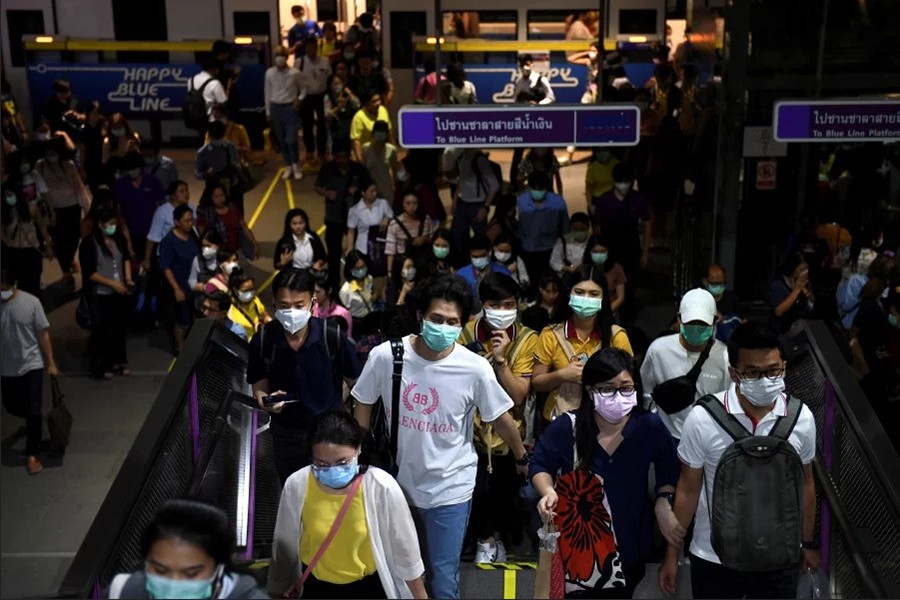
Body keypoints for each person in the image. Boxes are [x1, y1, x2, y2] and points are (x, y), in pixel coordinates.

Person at [352, 274, 530, 600]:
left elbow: (501, 418)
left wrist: (521, 457)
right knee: (402, 575)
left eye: (452, 322)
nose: (443, 327)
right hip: (398, 487)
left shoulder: (473, 367)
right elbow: (363, 399)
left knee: (443, 579)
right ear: (420, 315)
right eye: (436, 319)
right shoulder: (387, 356)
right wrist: (359, 456)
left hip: (452, 488)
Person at [659, 323, 819, 600]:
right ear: (733, 373)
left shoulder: (801, 417)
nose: (765, 380)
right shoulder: (704, 418)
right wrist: (673, 552)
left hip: (779, 558)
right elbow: (688, 488)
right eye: (752, 373)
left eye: (773, 371)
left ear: (784, 367)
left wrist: (807, 543)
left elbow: (805, 484)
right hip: (713, 558)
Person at [532, 348, 679, 598]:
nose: (618, 396)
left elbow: (670, 470)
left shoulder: (648, 425)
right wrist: (547, 491)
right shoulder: (569, 426)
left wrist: (663, 502)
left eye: (626, 387)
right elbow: (540, 465)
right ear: (590, 391)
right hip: (579, 552)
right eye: (607, 388)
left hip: (629, 546)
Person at [267, 411, 427, 599]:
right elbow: (284, 543)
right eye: (322, 464)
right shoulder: (298, 484)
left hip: (368, 588)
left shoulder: (381, 486)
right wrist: (276, 590)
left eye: (342, 462)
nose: (332, 471)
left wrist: (420, 595)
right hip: (317, 588)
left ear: (358, 449)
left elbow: (404, 549)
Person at [247, 268, 362, 485]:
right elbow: (259, 382)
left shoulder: (332, 336)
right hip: (287, 436)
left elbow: (357, 384)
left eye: (299, 305)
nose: (291, 312)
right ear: (274, 303)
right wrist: (265, 400)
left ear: (312, 302)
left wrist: (354, 425)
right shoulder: (263, 340)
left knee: (336, 491)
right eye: (284, 306)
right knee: (295, 492)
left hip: (331, 434)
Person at [458, 273, 538, 565]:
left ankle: (501, 537)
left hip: (509, 432)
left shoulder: (528, 339)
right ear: (483, 304)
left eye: (509, 305)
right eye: (495, 304)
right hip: (467, 432)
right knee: (476, 490)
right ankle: (484, 539)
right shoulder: (463, 334)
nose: (502, 312)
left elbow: (518, 395)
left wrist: (501, 360)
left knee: (504, 494)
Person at [107, 498, 267, 599]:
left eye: (191, 574)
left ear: (219, 568)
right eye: (160, 570)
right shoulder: (122, 592)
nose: (173, 585)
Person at [533, 266, 634, 425]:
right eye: (579, 292)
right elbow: (537, 383)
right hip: (559, 419)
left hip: (604, 420)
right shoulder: (550, 334)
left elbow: (629, 384)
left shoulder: (617, 336)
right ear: (569, 294)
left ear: (603, 298)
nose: (586, 298)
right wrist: (563, 375)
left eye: (594, 294)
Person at [640, 288, 731, 440]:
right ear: (678, 319)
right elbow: (646, 393)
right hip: (667, 438)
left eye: (702, 324)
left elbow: (727, 402)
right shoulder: (658, 350)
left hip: (707, 439)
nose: (696, 328)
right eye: (691, 322)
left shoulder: (725, 356)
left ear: (715, 321)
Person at [1, 265, 60, 476]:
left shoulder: (31, 303)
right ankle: (29, 423)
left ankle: (32, 453)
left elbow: (43, 334)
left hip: (31, 365)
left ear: (14, 284)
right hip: (7, 368)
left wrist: (51, 362)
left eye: (5, 287)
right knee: (11, 407)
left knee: (34, 409)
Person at [79, 208, 133, 380]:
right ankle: (103, 365)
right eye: (109, 225)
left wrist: (128, 278)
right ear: (101, 225)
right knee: (103, 331)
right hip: (101, 294)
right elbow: (90, 273)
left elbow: (125, 258)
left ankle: (119, 362)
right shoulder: (89, 244)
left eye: (114, 224)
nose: (113, 227)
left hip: (119, 292)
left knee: (119, 329)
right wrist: (112, 284)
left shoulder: (118, 239)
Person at [36, 141, 92, 283]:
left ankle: (69, 261)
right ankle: (66, 271)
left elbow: (79, 187)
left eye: (53, 153)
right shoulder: (40, 166)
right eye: (48, 153)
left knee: (74, 237)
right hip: (52, 209)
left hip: (72, 206)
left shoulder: (69, 165)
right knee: (58, 240)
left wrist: (87, 208)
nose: (51, 156)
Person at [315, 145, 370, 289]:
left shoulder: (358, 169)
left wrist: (358, 192)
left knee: (357, 253)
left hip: (356, 219)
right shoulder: (327, 169)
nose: (341, 160)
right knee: (333, 254)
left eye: (344, 156)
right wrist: (326, 193)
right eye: (338, 156)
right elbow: (318, 186)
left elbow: (370, 188)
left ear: (349, 155)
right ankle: (334, 285)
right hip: (334, 218)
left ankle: (356, 283)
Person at [591, 163, 652, 281]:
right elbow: (597, 226)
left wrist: (645, 253)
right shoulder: (604, 200)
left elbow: (647, 225)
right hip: (610, 249)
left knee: (630, 284)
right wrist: (599, 252)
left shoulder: (638, 199)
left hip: (631, 249)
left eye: (627, 181)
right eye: (620, 181)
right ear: (614, 181)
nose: (623, 185)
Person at [442, 148, 500, 265]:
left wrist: (485, 207)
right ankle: (462, 263)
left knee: (480, 239)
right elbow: (461, 180)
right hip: (462, 204)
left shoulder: (479, 160)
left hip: (477, 205)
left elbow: (494, 185)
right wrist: (455, 200)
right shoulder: (463, 156)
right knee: (458, 237)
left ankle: (482, 262)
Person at [517, 171, 570, 292]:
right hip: (528, 248)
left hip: (551, 248)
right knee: (531, 281)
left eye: (540, 188)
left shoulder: (558, 202)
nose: (537, 191)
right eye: (534, 188)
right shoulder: (521, 201)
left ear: (547, 188)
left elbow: (565, 228)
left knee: (551, 282)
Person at [159, 205, 200, 354]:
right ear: (176, 222)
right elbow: (165, 267)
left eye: (191, 220)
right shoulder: (169, 242)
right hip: (180, 285)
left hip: (193, 284)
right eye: (186, 221)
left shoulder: (192, 235)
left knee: (192, 316)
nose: (190, 223)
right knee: (182, 319)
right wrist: (176, 288)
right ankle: (180, 346)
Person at [113, 151, 165, 263]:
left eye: (133, 168)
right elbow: (117, 208)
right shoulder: (120, 184)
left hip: (152, 232)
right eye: (128, 169)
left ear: (140, 167)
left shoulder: (153, 181)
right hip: (130, 233)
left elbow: (162, 204)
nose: (131, 171)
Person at [1, 187, 51, 297]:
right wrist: (7, 241)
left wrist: (48, 244)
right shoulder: (5, 211)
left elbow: (42, 226)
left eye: (10, 195)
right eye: (6, 196)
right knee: (21, 285)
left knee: (34, 283)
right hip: (15, 252)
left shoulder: (31, 207)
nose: (8, 198)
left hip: (31, 250)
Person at [265, 46, 303, 181]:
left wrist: (299, 99)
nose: (278, 58)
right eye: (276, 55)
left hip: (289, 108)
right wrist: (268, 112)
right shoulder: (269, 73)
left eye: (281, 55)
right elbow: (267, 92)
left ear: (286, 57)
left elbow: (304, 88)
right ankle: (287, 165)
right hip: (276, 107)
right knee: (281, 140)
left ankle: (296, 164)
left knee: (291, 139)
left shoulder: (295, 73)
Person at [196, 183, 258, 258]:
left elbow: (244, 227)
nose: (220, 199)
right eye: (216, 197)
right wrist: (213, 246)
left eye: (222, 195)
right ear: (210, 198)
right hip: (219, 253)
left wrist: (254, 244)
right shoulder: (205, 214)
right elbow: (201, 237)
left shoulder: (232, 209)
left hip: (235, 250)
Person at [195, 121, 245, 213]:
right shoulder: (202, 153)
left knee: (236, 214)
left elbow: (238, 165)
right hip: (213, 188)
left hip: (232, 189)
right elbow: (198, 174)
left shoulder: (230, 147)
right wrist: (206, 174)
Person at [145, 180, 196, 271]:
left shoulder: (192, 208)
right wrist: (147, 260)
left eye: (186, 191)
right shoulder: (162, 211)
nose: (186, 194)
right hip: (169, 253)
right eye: (181, 191)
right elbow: (152, 236)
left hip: (187, 252)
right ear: (173, 196)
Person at [297, 40, 330, 170]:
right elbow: (296, 82)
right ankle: (310, 151)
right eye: (309, 47)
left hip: (321, 96)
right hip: (306, 97)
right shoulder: (299, 62)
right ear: (305, 48)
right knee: (307, 125)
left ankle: (322, 152)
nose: (312, 50)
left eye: (314, 47)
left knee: (322, 125)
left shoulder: (324, 61)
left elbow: (328, 76)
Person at [385, 191, 433, 273]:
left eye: (415, 203)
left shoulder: (426, 219)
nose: (411, 206)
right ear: (402, 204)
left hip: (423, 262)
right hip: (404, 263)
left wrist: (424, 239)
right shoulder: (395, 224)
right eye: (408, 203)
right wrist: (389, 271)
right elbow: (390, 250)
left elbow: (433, 240)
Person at [456, 234, 511, 305]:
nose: (478, 260)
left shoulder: (504, 273)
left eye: (482, 256)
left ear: (490, 252)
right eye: (475, 257)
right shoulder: (461, 275)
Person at [770, 252, 815, 334]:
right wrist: (797, 289)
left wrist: (805, 291)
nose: (805, 273)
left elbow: (811, 306)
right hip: (781, 330)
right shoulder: (779, 284)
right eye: (801, 270)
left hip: (800, 328)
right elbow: (778, 311)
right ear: (792, 269)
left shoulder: (807, 283)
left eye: (806, 269)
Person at [583, 235, 627, 316]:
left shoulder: (616, 268)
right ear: (589, 252)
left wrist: (605, 313)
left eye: (602, 251)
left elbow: (620, 297)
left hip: (609, 312)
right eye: (595, 252)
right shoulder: (583, 269)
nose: (599, 254)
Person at [702, 263, 743, 343]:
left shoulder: (732, 299)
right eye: (714, 284)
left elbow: (743, 323)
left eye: (721, 283)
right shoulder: (697, 299)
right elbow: (676, 326)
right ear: (705, 281)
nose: (718, 286)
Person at [361, 120, 399, 200]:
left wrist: (394, 185)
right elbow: (363, 170)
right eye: (378, 131)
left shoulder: (392, 150)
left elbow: (394, 169)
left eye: (383, 131)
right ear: (373, 133)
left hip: (386, 190)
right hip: (370, 190)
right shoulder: (365, 149)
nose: (380, 134)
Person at [228, 271, 271, 340]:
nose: (250, 294)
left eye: (251, 289)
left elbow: (263, 313)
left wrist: (269, 321)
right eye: (245, 291)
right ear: (235, 291)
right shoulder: (231, 313)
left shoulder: (254, 300)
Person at [186, 53, 228, 124]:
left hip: (194, 117)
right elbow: (223, 102)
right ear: (213, 69)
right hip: (211, 120)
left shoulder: (191, 80)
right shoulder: (215, 83)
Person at [340, 250, 378, 327]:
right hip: (356, 324)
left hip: (371, 318)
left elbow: (373, 292)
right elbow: (344, 313)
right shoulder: (345, 290)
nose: (361, 271)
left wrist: (375, 295)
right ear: (350, 269)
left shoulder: (369, 279)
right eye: (357, 268)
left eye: (363, 267)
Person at [350, 92, 392, 163]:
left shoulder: (383, 110)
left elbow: (390, 132)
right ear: (367, 104)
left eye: (378, 100)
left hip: (382, 153)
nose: (378, 103)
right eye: (374, 101)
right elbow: (356, 142)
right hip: (367, 155)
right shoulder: (359, 117)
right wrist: (360, 161)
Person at [550, 213, 592, 277]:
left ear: (588, 228)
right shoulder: (563, 241)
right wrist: (567, 268)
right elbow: (554, 261)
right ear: (571, 228)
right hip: (568, 274)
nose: (579, 232)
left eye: (582, 229)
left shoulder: (593, 240)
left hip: (588, 275)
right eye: (576, 230)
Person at [585, 148, 620, 217]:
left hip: (614, 200)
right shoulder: (592, 168)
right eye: (599, 150)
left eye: (604, 150)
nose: (602, 153)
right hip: (597, 200)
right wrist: (590, 205)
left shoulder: (617, 165)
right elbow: (588, 189)